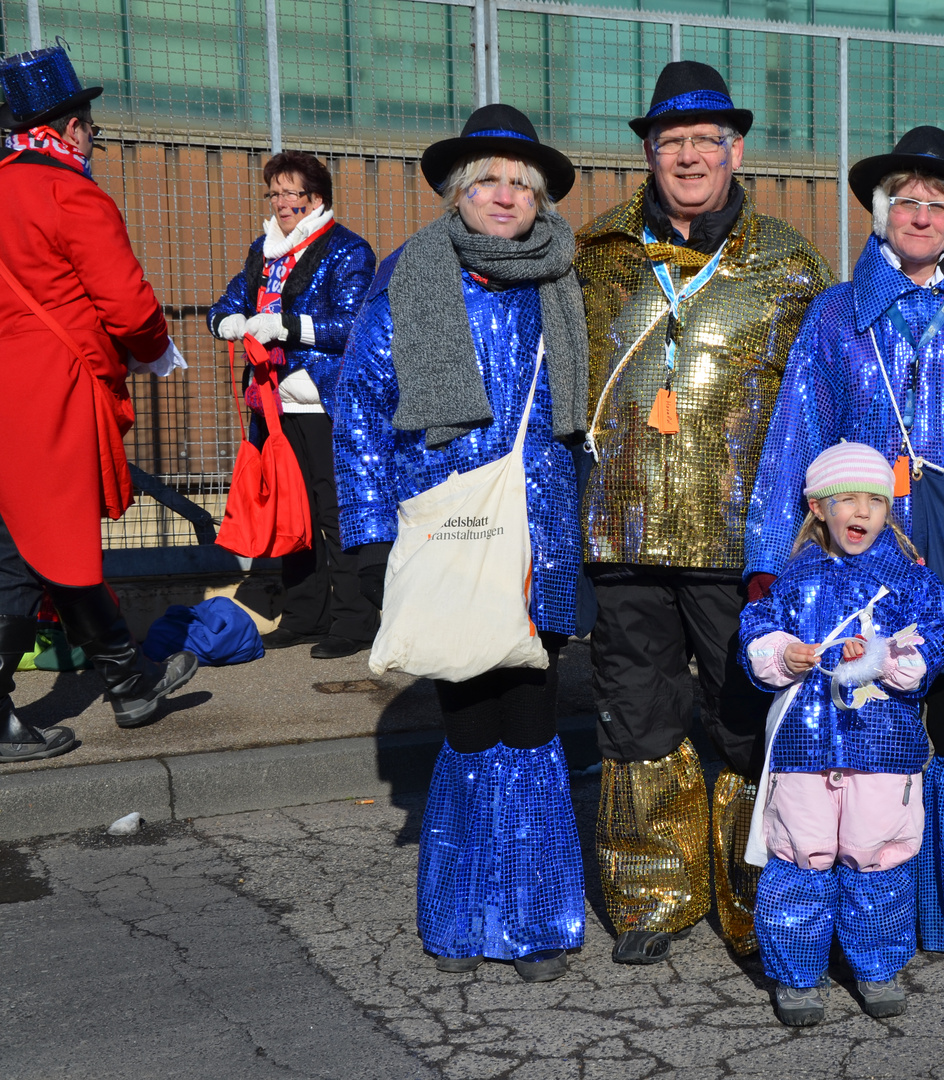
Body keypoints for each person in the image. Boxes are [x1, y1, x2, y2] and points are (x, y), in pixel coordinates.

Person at [746, 125, 944, 974]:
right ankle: (885, 913)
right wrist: (769, 562)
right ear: (880, 214)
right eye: (906, 199)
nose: (922, 214)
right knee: (872, 729)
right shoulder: (835, 315)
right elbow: (792, 438)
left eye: (938, 203)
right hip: (855, 559)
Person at [574, 60, 834, 965]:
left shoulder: (790, 263)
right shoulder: (595, 254)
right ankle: (653, 892)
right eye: (671, 142)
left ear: (734, 151)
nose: (688, 156)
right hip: (624, 529)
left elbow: (822, 398)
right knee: (637, 713)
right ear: (648, 153)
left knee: (744, 716)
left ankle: (756, 896)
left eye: (704, 141)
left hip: (740, 537)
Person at [331, 105, 590, 982]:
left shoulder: (562, 275)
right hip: (447, 528)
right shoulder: (410, 277)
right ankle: (463, 909)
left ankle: (535, 919)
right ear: (455, 193)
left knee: (530, 716)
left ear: (543, 198)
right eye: (488, 179)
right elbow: (361, 406)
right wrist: (367, 534)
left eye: (522, 182)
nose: (505, 194)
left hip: (540, 537)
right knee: (469, 722)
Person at [0, 44, 197, 763]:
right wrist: (153, 346)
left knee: (24, 545)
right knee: (35, 550)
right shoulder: (70, 192)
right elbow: (128, 304)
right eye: (90, 127)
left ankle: (129, 683)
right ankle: (126, 682)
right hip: (52, 389)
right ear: (74, 128)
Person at [740, 442, 944, 1026]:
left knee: (877, 855)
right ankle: (797, 973)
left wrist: (882, 659)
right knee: (800, 856)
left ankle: (877, 966)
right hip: (805, 746)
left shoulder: (909, 580)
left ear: (889, 509)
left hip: (882, 746)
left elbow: (935, 632)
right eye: (847, 500)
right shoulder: (791, 578)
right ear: (817, 507)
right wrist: (788, 654)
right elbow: (756, 632)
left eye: (875, 501)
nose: (861, 512)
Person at [208, 150, 377, 659]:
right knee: (291, 510)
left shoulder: (348, 250)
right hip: (272, 404)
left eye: (291, 193)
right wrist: (225, 322)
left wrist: (289, 325)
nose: (282, 202)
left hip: (321, 403)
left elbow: (355, 326)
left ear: (316, 198)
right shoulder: (264, 250)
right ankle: (304, 615)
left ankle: (354, 621)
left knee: (333, 511)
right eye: (275, 193)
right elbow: (229, 300)